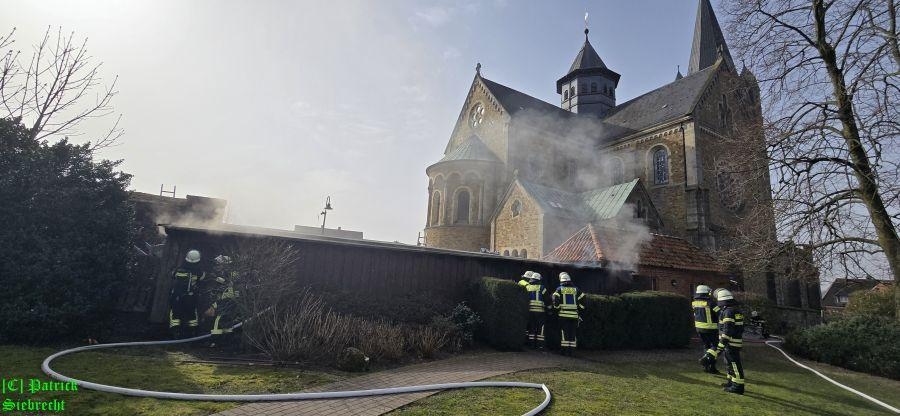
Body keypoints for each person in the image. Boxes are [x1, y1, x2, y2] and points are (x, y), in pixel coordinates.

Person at [168, 249, 206, 338]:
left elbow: (172, 275)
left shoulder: (179, 269)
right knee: (192, 313)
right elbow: (203, 278)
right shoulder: (198, 271)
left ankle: (175, 332)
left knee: (175, 312)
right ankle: (193, 332)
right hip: (190, 296)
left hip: (176, 295)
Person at [205, 255, 241, 346]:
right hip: (226, 301)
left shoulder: (232, 274)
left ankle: (216, 341)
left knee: (219, 320)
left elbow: (231, 285)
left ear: (225, 265)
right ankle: (226, 343)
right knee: (226, 322)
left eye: (219, 264)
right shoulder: (226, 273)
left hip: (228, 301)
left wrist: (222, 281)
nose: (217, 267)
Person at [716, 289, 746, 395]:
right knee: (729, 363)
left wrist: (721, 345)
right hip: (734, 342)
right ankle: (731, 382)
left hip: (731, 343)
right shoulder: (735, 310)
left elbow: (727, 330)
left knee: (734, 364)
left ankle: (738, 386)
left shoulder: (728, 312)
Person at [552, 272, 584, 356]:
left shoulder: (559, 289)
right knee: (573, 333)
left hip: (563, 315)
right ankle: (572, 352)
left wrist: (557, 308)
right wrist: (580, 308)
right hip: (574, 316)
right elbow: (583, 298)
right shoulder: (576, 289)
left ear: (561, 281)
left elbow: (555, 299)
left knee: (564, 333)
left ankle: (565, 351)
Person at [693, 285, 720, 373]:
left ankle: (708, 368)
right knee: (716, 346)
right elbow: (719, 313)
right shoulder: (711, 303)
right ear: (706, 292)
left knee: (706, 346)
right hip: (711, 328)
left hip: (699, 329)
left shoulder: (694, 302)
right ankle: (708, 362)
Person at [518, 271, 547, 348]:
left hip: (530, 311)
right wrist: (549, 309)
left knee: (532, 327)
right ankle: (540, 345)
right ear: (539, 280)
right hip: (540, 312)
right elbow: (547, 299)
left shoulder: (528, 287)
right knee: (540, 328)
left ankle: (531, 344)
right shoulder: (542, 287)